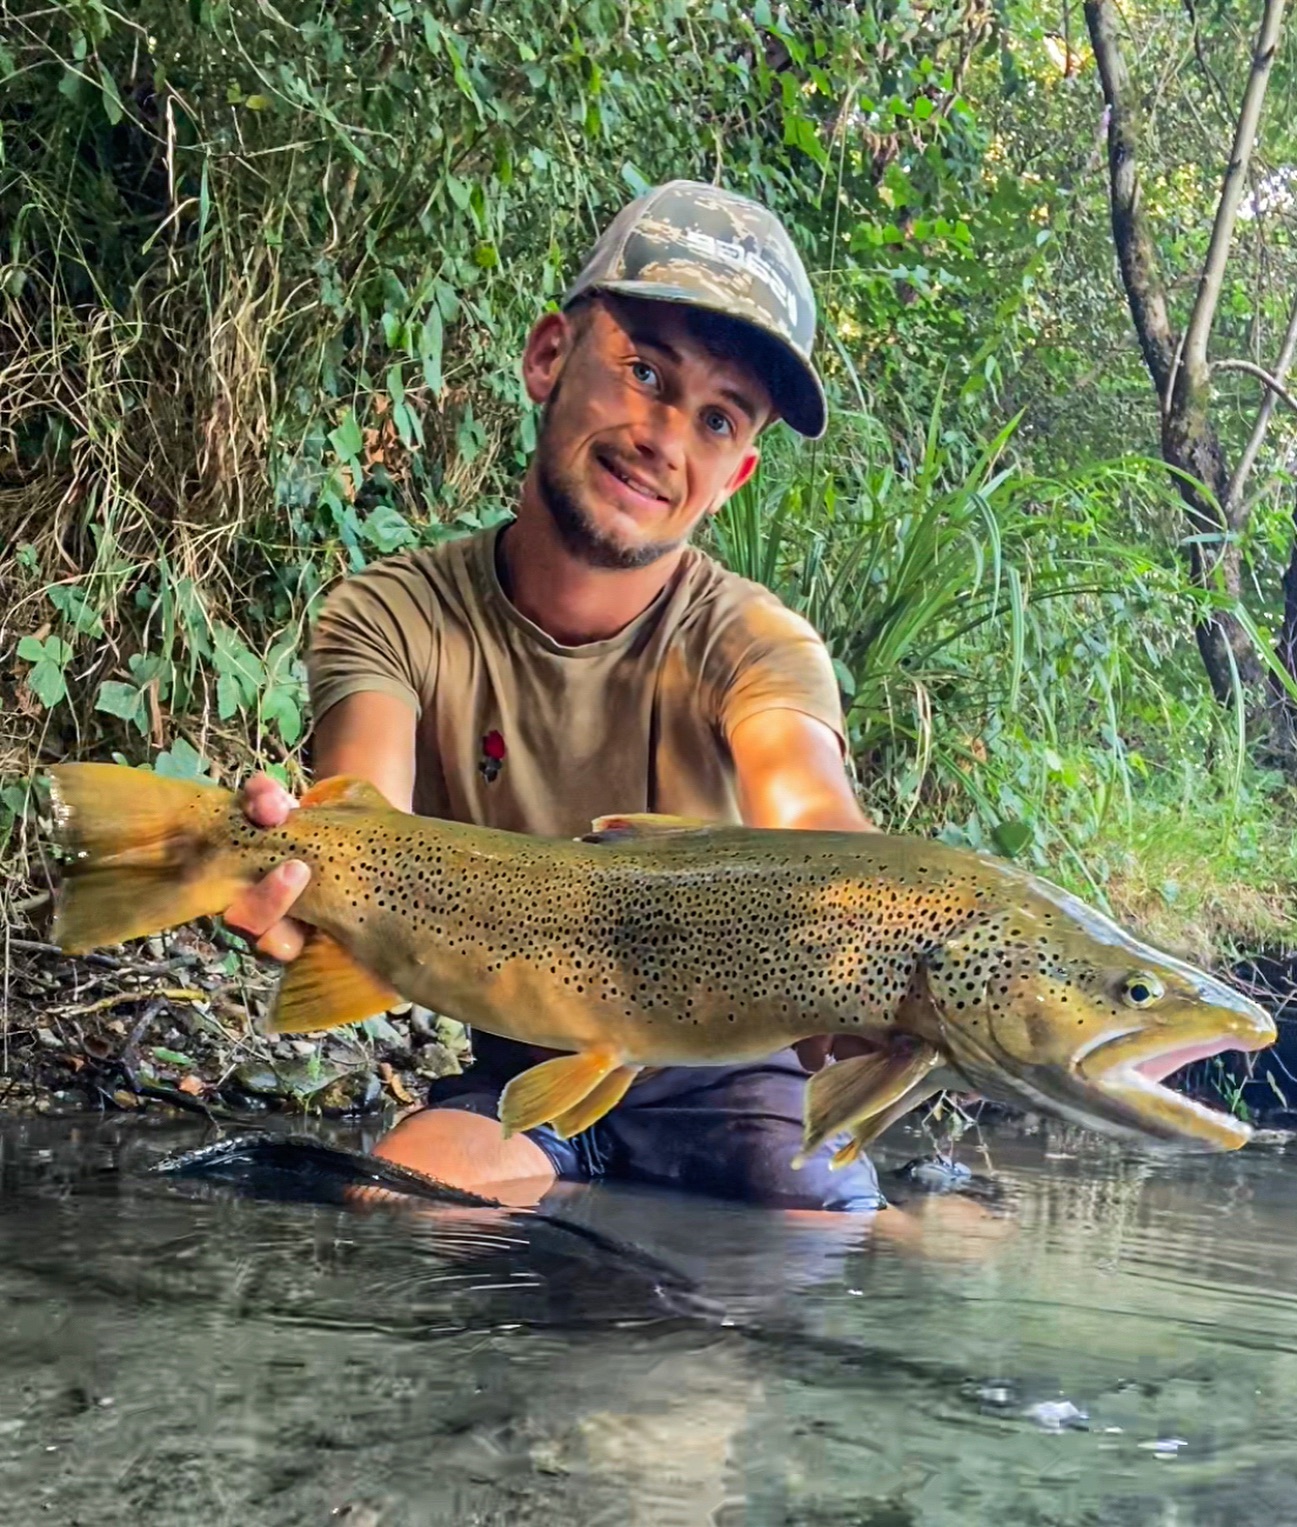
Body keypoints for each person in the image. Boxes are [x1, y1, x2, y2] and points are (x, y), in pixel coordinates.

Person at [225, 181, 888, 1213]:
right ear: (548, 357)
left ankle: (927, 1218)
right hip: (525, 1070)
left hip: (735, 1087)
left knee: (827, 1245)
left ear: (736, 475)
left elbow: (819, 824)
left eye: (717, 419)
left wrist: (886, 957)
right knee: (397, 1203)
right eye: (643, 371)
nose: (665, 437)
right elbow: (363, 823)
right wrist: (298, 885)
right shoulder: (394, 613)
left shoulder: (756, 643)